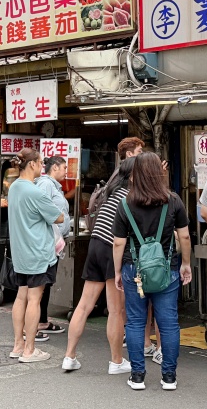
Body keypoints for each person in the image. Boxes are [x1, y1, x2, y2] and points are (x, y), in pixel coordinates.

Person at [113, 152, 191, 392]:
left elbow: (118, 242)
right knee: (168, 323)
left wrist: (117, 271)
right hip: (166, 269)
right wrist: (186, 263)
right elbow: (185, 235)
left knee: (136, 322)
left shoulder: (125, 203)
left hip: (132, 268)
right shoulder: (173, 200)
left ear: (136, 174)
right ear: (159, 172)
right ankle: (169, 377)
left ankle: (138, 376)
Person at [62, 157, 135, 374]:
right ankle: (116, 361)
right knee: (116, 310)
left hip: (95, 245)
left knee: (84, 305)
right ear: (133, 175)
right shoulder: (130, 197)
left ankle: (69, 356)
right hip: (112, 248)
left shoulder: (110, 194)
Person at [8, 148, 65, 363]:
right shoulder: (35, 192)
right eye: (41, 162)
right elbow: (57, 217)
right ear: (31, 164)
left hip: (21, 252)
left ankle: (18, 345)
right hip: (38, 252)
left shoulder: (14, 188)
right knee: (35, 299)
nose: (43, 166)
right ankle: (30, 350)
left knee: (21, 297)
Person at [34, 156, 71, 335]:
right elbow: (41, 210)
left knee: (47, 284)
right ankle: (34, 326)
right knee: (41, 284)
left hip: (54, 243)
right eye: (64, 167)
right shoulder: (46, 185)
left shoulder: (54, 186)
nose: (66, 171)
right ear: (54, 167)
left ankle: (42, 321)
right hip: (47, 242)